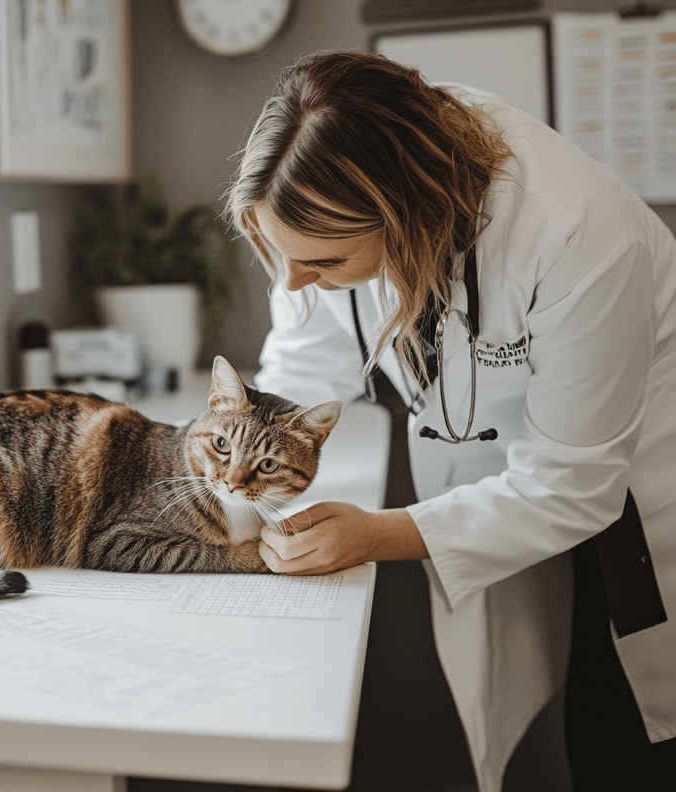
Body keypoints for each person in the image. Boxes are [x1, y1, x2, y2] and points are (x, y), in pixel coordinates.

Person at [225, 50, 676, 792]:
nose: (293, 281)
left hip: (636, 502)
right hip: (504, 474)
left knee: (620, 739)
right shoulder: (319, 213)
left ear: (405, 219)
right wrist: (229, 476)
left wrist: (377, 532)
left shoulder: (575, 231)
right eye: (280, 254)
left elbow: (573, 485)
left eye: (325, 262)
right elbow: (299, 376)